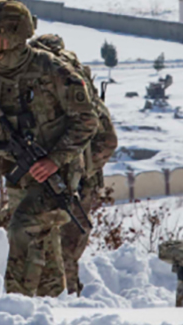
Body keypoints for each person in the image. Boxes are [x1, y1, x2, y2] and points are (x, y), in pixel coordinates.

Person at [0, 0, 97, 297]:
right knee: (42, 240)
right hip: (19, 176)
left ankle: (15, 305)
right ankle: (52, 308)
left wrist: (55, 160)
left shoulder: (54, 71)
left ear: (14, 34)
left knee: (22, 229)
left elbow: (87, 119)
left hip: (57, 176)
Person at [29, 33, 117, 296]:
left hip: (76, 188)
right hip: (52, 181)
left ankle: (69, 305)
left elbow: (108, 140)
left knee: (65, 251)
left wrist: (80, 174)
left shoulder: (78, 91)